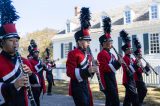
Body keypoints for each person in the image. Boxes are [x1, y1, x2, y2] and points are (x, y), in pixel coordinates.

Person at [0, 0, 39, 105]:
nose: (15, 43)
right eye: (11, 40)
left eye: (16, 40)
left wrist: (31, 75)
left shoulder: (24, 61)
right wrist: (14, 86)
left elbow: (36, 84)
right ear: (2, 42)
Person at [66, 7, 96, 106]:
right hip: (77, 87)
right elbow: (70, 72)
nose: (88, 43)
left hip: (85, 85)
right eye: (86, 41)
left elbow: (89, 72)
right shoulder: (73, 53)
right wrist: (88, 71)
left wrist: (93, 68)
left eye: (89, 41)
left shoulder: (87, 54)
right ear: (79, 41)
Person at [97, 17, 121, 106]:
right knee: (114, 101)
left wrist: (120, 62)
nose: (111, 42)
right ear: (104, 43)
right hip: (106, 80)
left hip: (112, 78)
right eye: (109, 41)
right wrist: (118, 63)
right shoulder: (101, 54)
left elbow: (114, 68)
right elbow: (105, 68)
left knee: (110, 102)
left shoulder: (112, 55)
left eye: (111, 40)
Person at [120, 30, 140, 106]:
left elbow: (134, 69)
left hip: (131, 79)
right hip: (127, 79)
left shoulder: (130, 58)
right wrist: (136, 64)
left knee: (128, 98)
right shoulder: (125, 58)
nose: (131, 50)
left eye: (131, 49)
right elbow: (128, 69)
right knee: (134, 97)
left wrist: (137, 64)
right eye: (129, 49)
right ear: (126, 51)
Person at [133, 38, 150, 106]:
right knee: (144, 90)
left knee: (141, 91)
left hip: (139, 78)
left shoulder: (139, 61)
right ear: (137, 55)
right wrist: (146, 67)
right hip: (137, 79)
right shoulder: (136, 61)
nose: (141, 55)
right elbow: (140, 70)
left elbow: (143, 71)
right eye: (140, 54)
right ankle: (139, 102)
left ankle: (139, 102)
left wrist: (147, 67)